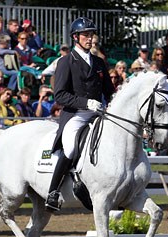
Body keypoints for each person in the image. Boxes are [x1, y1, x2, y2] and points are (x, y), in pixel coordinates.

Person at [44, 17, 114, 212]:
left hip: (98, 113)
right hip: (76, 114)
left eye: (91, 35)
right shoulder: (66, 62)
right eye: (86, 35)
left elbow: (109, 91)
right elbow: (60, 95)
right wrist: (86, 103)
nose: (90, 38)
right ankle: (53, 192)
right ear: (76, 37)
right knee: (70, 148)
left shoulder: (99, 63)